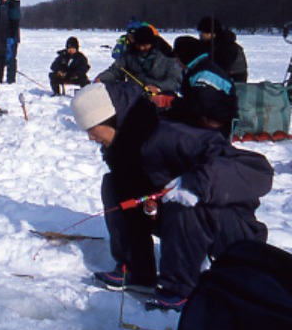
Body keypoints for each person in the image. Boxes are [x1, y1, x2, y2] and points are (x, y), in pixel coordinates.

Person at [70, 81, 272, 311]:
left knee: (184, 201)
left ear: (109, 119)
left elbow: (258, 170)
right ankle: (136, 271)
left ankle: (180, 289)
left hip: (228, 226)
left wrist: (196, 184)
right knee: (114, 185)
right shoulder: (127, 147)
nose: (90, 138)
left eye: (91, 129)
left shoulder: (170, 136)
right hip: (178, 222)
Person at [168, 35, 239, 133]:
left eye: (178, 57)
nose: (176, 61)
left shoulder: (205, 75)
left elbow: (199, 107)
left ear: (185, 55)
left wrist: (170, 102)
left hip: (216, 124)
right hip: (206, 118)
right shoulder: (198, 68)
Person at [96, 24, 182, 99]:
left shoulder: (167, 55)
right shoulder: (129, 54)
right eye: (138, 45)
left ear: (152, 43)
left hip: (161, 94)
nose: (141, 48)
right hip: (134, 93)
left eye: (145, 45)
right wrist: (101, 78)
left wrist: (158, 88)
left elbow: (175, 80)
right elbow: (115, 70)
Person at [197, 15, 249, 83]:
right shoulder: (209, 44)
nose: (200, 35)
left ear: (212, 33)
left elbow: (218, 67)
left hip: (233, 80)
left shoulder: (227, 46)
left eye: (203, 32)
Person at [3, 0, 21, 85]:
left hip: (10, 37)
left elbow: (14, 22)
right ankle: (4, 78)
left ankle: (10, 79)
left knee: (10, 58)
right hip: (6, 37)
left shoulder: (11, 5)